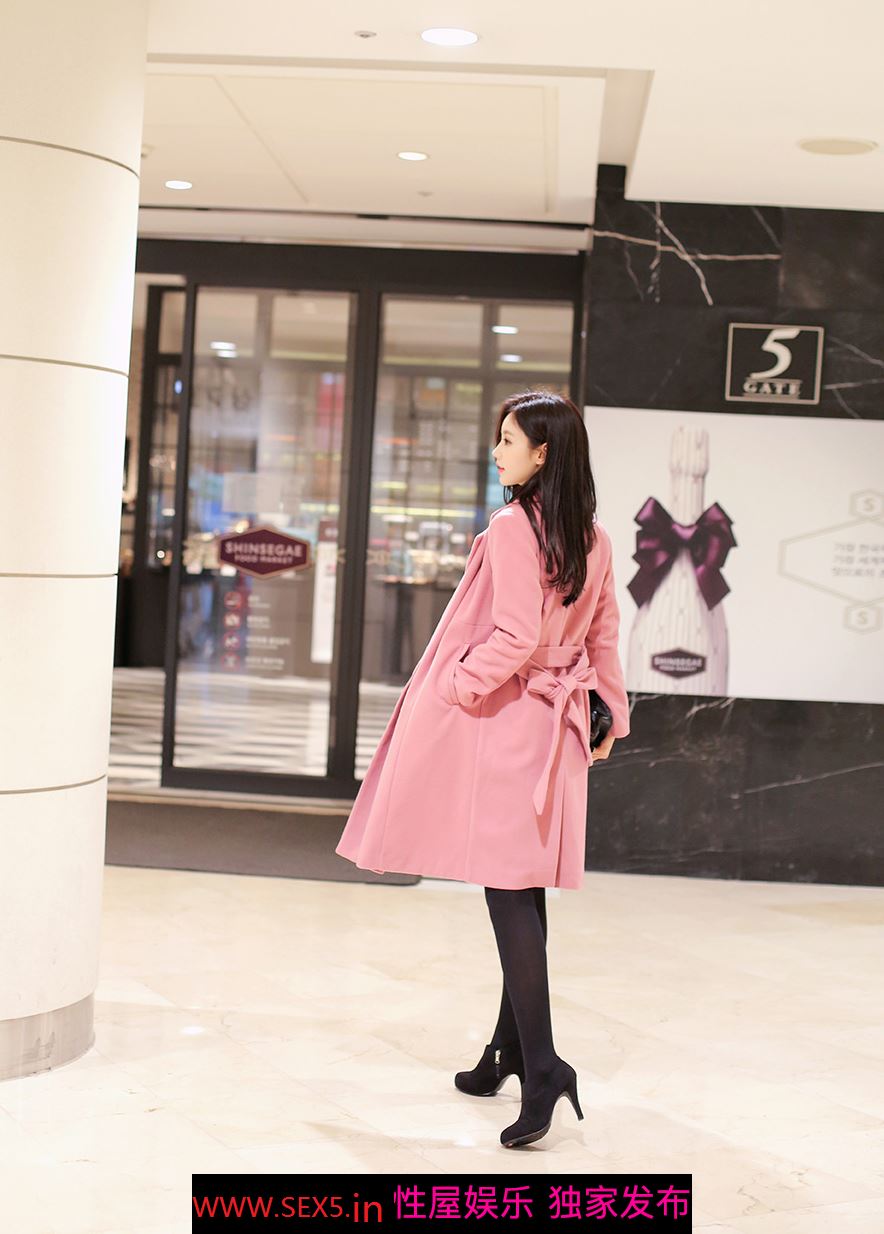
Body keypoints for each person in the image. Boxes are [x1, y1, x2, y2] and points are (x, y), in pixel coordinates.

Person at [335, 389, 631, 1148]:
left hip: (514, 721)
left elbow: (516, 634)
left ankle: (544, 1066)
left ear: (543, 452)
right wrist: (610, 714)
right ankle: (508, 1052)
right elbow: (603, 637)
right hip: (560, 722)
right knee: (522, 886)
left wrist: (461, 684)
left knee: (507, 889)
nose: (497, 451)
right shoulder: (593, 535)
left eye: (508, 439)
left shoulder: (512, 526)